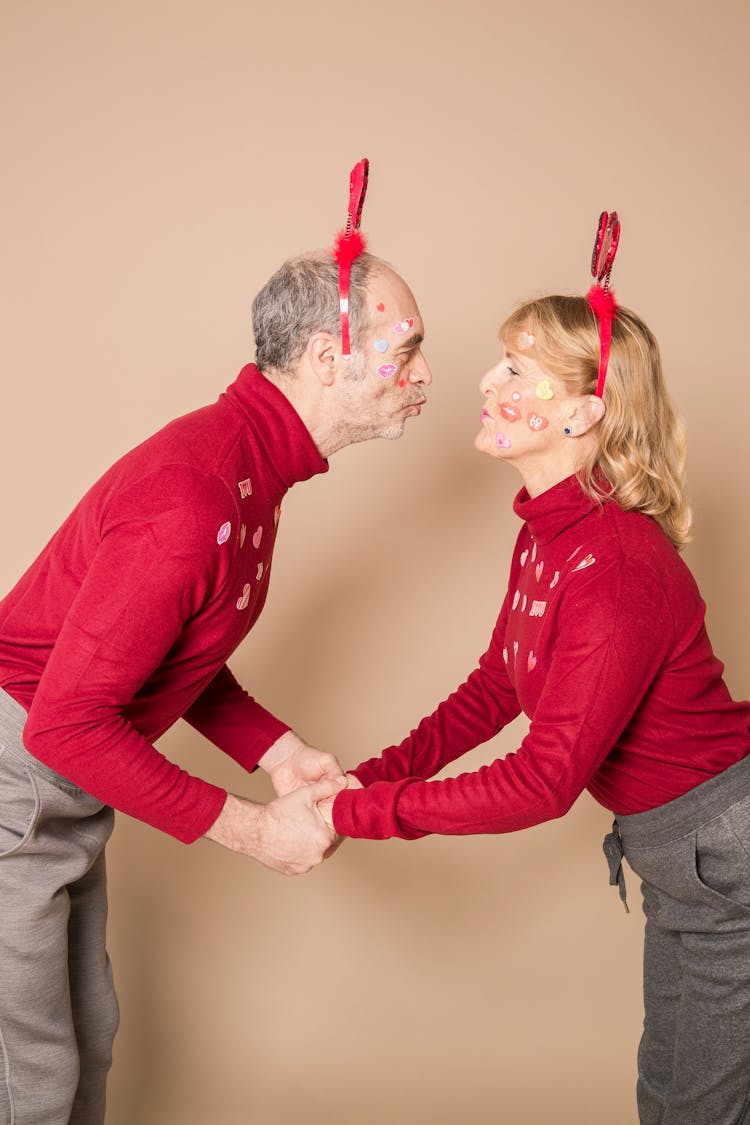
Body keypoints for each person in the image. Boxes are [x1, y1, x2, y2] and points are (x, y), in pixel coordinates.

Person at [0, 164, 433, 1123]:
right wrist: (253, 829)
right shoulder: (198, 493)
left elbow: (170, 644)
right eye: (407, 351)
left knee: (86, 1038)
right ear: (328, 356)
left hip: (57, 784)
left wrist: (280, 753)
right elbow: (64, 725)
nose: (424, 376)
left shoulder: (249, 470)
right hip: (24, 774)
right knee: (26, 1077)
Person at [322, 214, 750, 1125]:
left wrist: (359, 814)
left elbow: (545, 779)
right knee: (671, 1095)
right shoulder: (551, 534)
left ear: (581, 412)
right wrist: (365, 780)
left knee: (699, 1110)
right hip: (684, 858)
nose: (483, 381)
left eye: (515, 370)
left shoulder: (618, 565)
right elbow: (494, 689)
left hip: (726, 857)